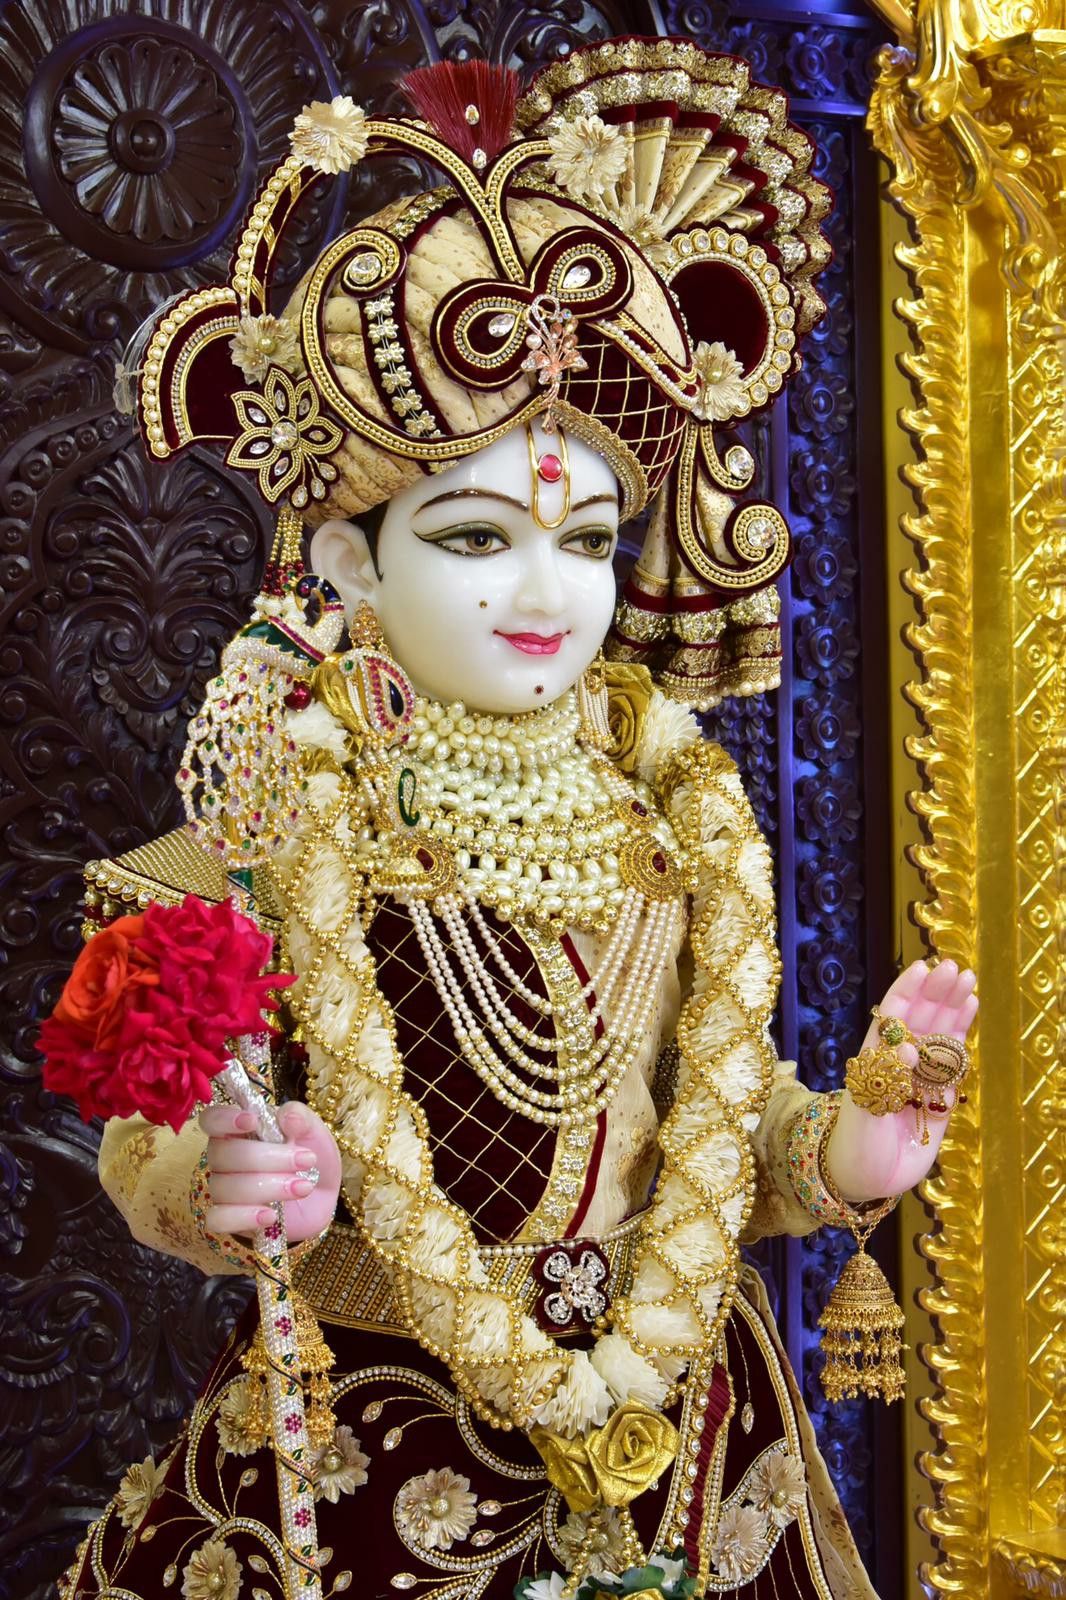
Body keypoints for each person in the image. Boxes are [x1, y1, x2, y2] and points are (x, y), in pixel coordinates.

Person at [58, 40, 976, 1600]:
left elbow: (709, 1130)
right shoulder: (267, 803)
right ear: (347, 565)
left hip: (692, 1438)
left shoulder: (665, 808)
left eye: (590, 537)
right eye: (475, 535)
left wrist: (841, 1152)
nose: (547, 591)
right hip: (377, 1429)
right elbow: (150, 1130)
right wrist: (213, 1183)